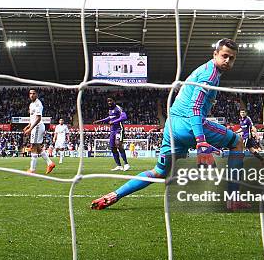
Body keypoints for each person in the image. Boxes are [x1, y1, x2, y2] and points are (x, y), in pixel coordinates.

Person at [91, 39, 248, 211]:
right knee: (237, 142)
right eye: (224, 56)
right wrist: (201, 141)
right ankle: (232, 199)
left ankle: (114, 195)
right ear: (215, 54)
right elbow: (194, 108)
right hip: (188, 124)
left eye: (231, 58)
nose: (227, 61)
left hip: (172, 127)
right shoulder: (209, 75)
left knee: (159, 172)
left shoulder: (206, 71)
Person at [93, 97, 130, 171]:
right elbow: (110, 117)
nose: (109, 102)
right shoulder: (110, 109)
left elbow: (124, 117)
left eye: (111, 101)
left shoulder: (118, 108)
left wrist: (114, 122)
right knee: (112, 147)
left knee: (118, 144)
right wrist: (101, 120)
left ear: (114, 101)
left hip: (119, 129)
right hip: (112, 131)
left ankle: (126, 164)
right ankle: (119, 165)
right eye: (108, 101)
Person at [23, 89, 55, 174]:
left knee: (33, 146)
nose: (32, 95)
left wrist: (30, 129)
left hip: (37, 126)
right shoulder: (31, 104)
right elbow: (32, 117)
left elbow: (38, 119)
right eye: (30, 93)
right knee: (38, 147)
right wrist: (28, 126)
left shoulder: (38, 104)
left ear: (36, 94)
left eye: (33, 93)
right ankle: (50, 163)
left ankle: (32, 169)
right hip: (34, 126)